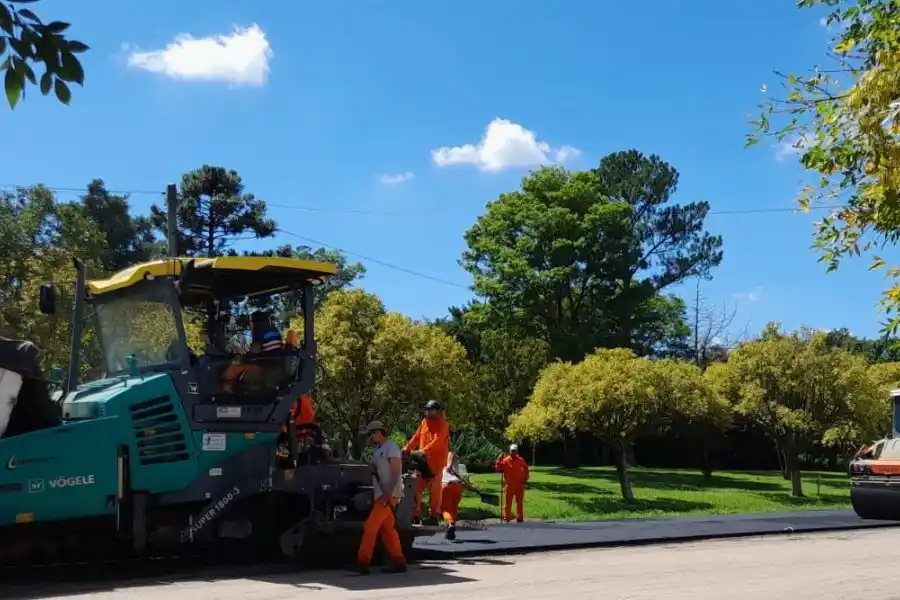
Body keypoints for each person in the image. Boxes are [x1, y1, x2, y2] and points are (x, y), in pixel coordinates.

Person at [349, 420, 407, 575]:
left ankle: (362, 562)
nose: (371, 437)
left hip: (387, 495)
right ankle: (398, 561)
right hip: (381, 494)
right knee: (387, 529)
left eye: (372, 434)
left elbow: (395, 472)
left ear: (379, 432)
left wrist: (390, 492)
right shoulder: (378, 451)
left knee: (370, 526)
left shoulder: (391, 448)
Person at [403, 399, 450, 525]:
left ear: (437, 411)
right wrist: (407, 449)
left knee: (435, 490)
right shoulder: (424, 422)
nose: (428, 413)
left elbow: (438, 441)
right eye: (427, 410)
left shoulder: (443, 424)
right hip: (422, 462)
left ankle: (434, 516)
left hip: (436, 464)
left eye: (431, 410)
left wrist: (423, 450)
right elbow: (417, 437)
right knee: (416, 487)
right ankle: (415, 515)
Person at [495, 443, 529, 523]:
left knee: (519, 502)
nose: (513, 452)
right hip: (509, 485)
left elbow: (526, 469)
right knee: (507, 503)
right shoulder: (505, 460)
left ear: (517, 451)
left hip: (519, 485)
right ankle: (507, 517)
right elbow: (498, 469)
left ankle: (519, 518)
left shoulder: (521, 460)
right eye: (512, 451)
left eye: (515, 451)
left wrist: (525, 479)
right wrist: (498, 460)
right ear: (509, 451)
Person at [440, 451, 470, 541]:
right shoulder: (454, 458)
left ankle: (450, 523)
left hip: (446, 484)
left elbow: (451, 455)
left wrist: (449, 466)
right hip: (457, 485)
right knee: (454, 508)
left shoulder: (447, 454)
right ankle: (451, 530)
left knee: (444, 508)